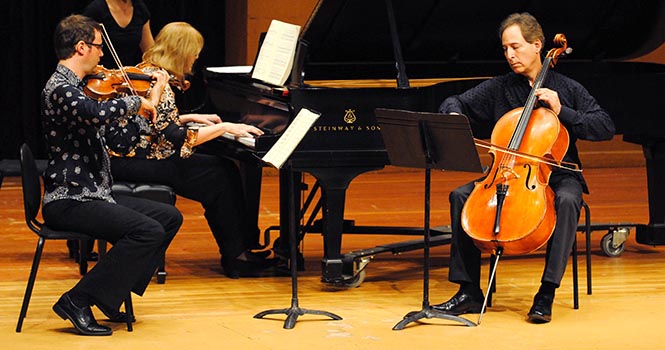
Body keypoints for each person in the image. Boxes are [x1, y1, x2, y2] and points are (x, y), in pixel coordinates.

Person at [433, 12, 615, 323]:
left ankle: (546, 292)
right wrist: (453, 117)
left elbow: (605, 126)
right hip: (508, 172)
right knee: (460, 196)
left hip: (557, 174)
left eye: (516, 47)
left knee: (569, 200)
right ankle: (469, 291)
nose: (510, 55)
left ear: (537, 45)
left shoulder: (567, 88)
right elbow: (454, 101)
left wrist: (563, 111)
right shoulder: (500, 87)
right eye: (505, 49)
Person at [42, 14, 182, 336]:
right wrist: (137, 101)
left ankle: (110, 294)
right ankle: (78, 300)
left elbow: (122, 140)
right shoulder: (61, 89)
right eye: (98, 47)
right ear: (80, 48)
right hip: (70, 198)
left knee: (168, 217)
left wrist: (152, 104)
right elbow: (95, 113)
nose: (103, 54)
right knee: (146, 231)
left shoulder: (88, 90)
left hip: (95, 194)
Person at [102, 22, 274, 279]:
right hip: (134, 160)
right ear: (182, 51)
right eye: (194, 52)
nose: (195, 58)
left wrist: (189, 117)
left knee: (220, 169)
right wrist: (226, 127)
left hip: (137, 154)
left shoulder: (148, 70)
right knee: (218, 175)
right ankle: (237, 256)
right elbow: (175, 139)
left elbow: (155, 123)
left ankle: (240, 248)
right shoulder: (156, 80)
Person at [66, 0, 156, 262]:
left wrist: (147, 77)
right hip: (100, 80)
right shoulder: (97, 10)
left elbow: (148, 52)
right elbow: (80, 50)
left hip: (128, 82)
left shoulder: (141, 9)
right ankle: (81, 237)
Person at [83, 0, 154, 67]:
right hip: (102, 74)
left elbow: (149, 50)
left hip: (131, 74)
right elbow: (85, 51)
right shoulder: (96, 9)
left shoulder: (140, 8)